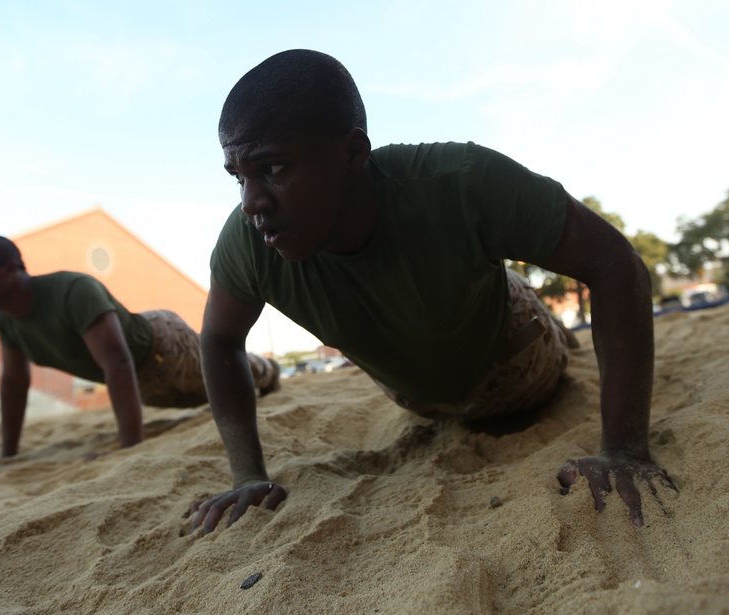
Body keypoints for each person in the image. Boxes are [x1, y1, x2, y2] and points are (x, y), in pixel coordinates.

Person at [188, 49, 675, 534]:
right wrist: (248, 474)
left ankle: (548, 324)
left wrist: (624, 449)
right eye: (239, 177)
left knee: (526, 309)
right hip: (418, 393)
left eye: (273, 169)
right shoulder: (248, 243)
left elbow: (616, 263)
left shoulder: (459, 182)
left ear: (354, 153)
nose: (253, 202)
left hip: (517, 359)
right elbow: (218, 339)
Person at [0, 235, 281, 458]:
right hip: (142, 384)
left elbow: (116, 360)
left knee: (237, 379)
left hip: (164, 347)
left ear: (10, 269)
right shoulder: (7, 321)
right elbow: (14, 384)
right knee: (205, 398)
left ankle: (269, 369)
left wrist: (128, 448)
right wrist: (9, 454)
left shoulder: (72, 290)